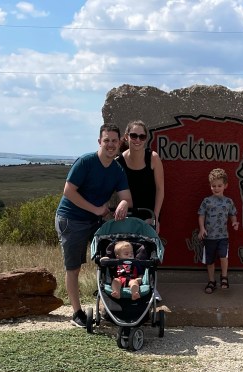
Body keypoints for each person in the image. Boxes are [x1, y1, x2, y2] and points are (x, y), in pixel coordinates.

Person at [55, 123, 133, 327]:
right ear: (99, 141)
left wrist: (124, 203)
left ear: (119, 143)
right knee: (74, 267)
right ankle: (77, 313)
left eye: (114, 141)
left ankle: (108, 305)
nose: (110, 144)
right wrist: (96, 209)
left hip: (94, 221)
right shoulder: (86, 162)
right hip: (71, 219)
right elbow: (68, 191)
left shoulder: (117, 170)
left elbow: (127, 197)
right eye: (106, 140)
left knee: (107, 260)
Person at [197, 168, 240, 294]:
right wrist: (202, 228)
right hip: (209, 237)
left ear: (225, 185)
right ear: (210, 186)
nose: (216, 188)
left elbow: (233, 214)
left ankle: (224, 277)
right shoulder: (207, 201)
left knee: (223, 256)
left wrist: (234, 222)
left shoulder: (228, 201)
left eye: (219, 185)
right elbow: (201, 215)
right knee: (209, 261)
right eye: (213, 186)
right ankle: (211, 281)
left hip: (223, 236)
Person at [117, 120, 164, 228]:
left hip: (149, 216)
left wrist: (155, 217)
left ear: (145, 139)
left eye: (142, 137)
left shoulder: (153, 158)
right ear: (126, 137)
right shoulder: (119, 162)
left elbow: (160, 189)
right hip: (127, 216)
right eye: (134, 136)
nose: (138, 140)